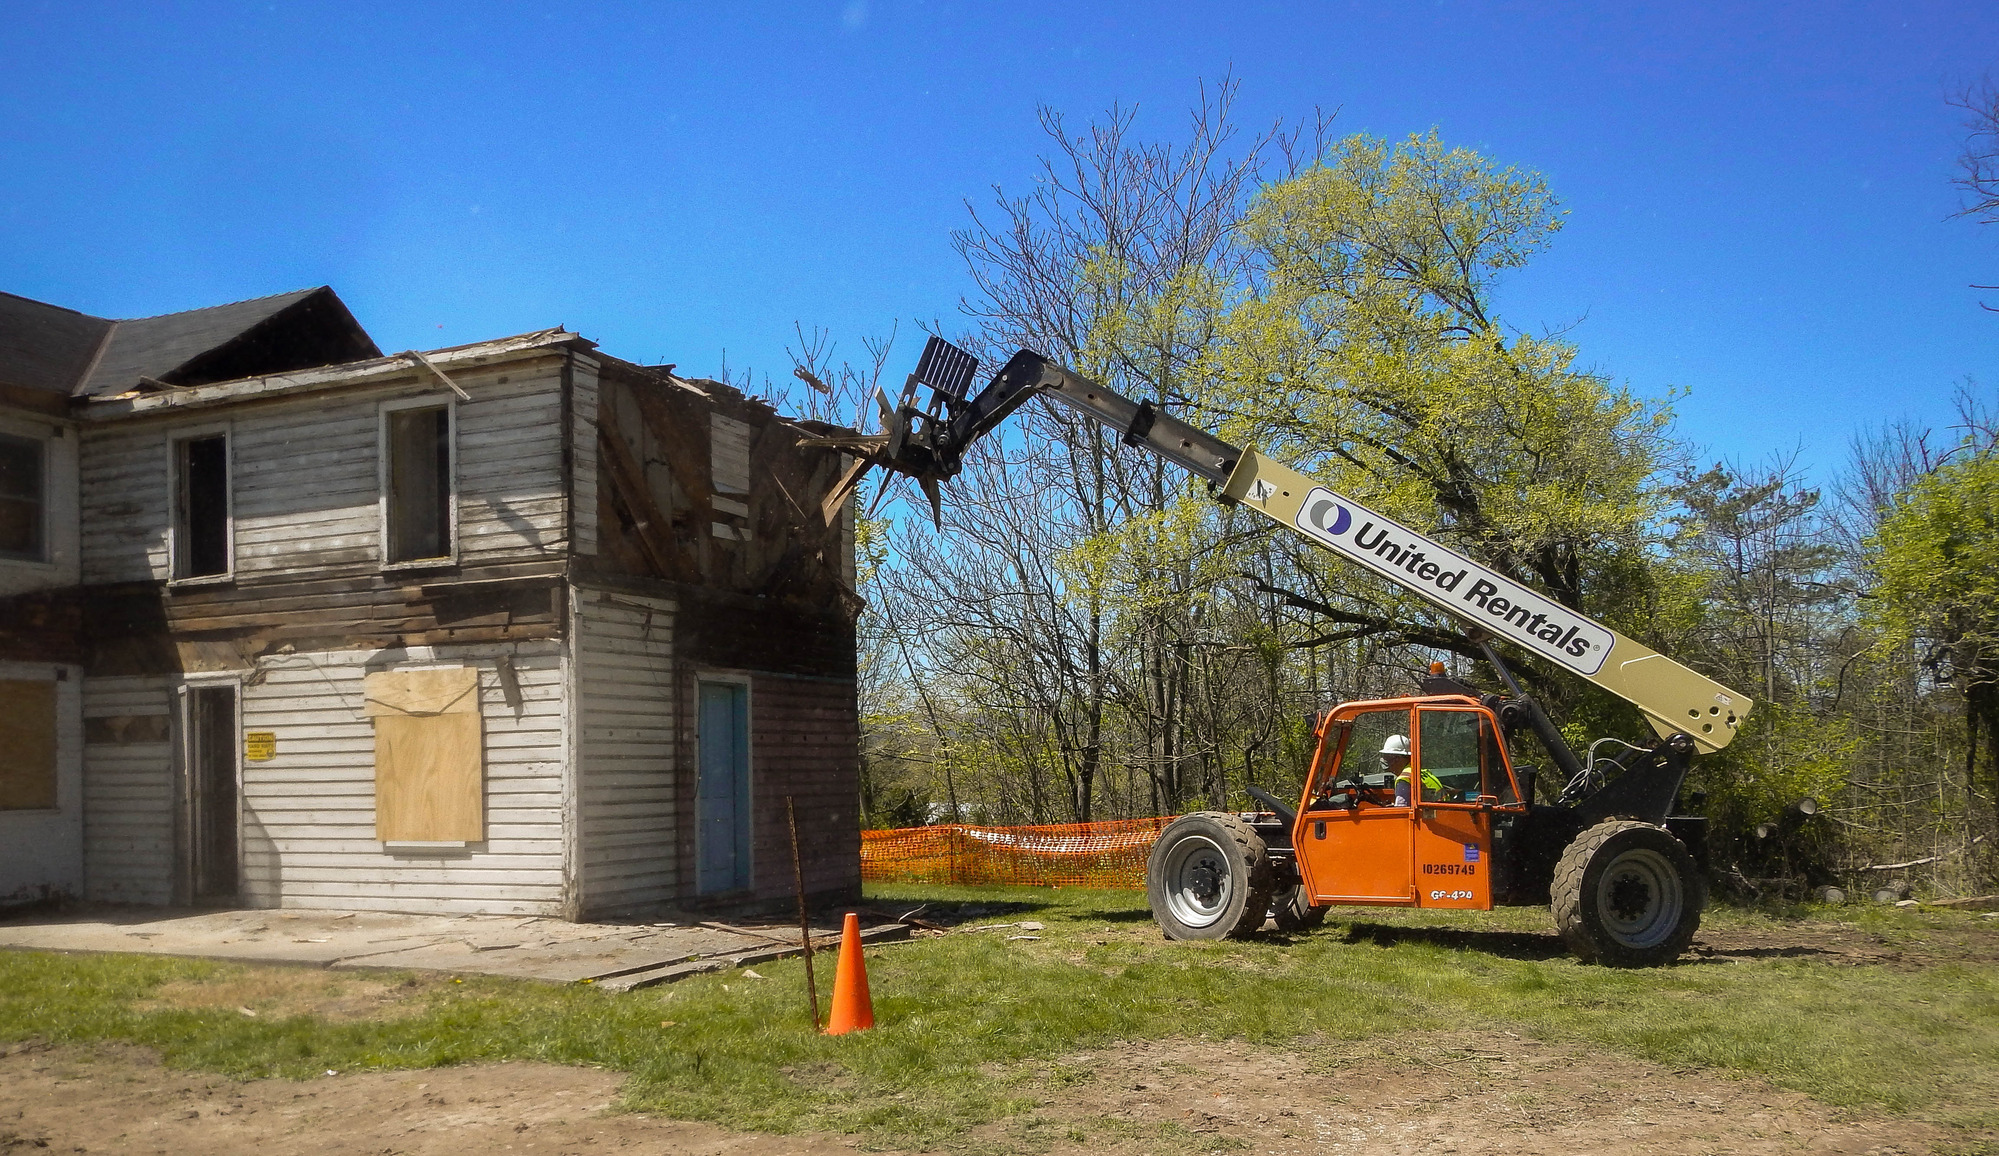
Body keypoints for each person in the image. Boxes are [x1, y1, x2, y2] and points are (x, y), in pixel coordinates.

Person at [1381, 734, 1444, 806]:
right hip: (1443, 813)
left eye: (1387, 758)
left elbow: (1402, 811)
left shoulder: (1404, 779)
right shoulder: (1421, 772)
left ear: (1397, 758)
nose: (1385, 761)